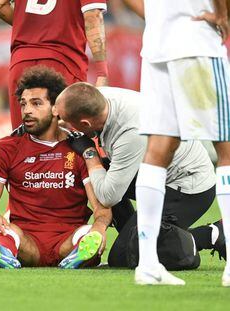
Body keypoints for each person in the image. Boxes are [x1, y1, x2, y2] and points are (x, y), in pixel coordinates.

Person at [55, 82, 225, 276]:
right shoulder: (98, 98)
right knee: (103, 173)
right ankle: (133, 235)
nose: (63, 125)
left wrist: (89, 153)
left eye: (67, 122)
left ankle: (211, 234)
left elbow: (108, 196)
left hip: (188, 189)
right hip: (156, 174)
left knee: (121, 257)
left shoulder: (131, 132)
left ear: (85, 124)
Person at [119, 0, 230, 286]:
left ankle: (147, 264)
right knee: (226, 147)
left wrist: (158, 19)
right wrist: (222, 13)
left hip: (157, 47)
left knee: (159, 148)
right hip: (197, 41)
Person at [0, 66, 112, 268]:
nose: (27, 110)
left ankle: (81, 251)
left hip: (68, 238)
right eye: (23, 104)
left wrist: (99, 227)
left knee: (86, 234)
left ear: (56, 108)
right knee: (6, 232)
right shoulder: (5, 149)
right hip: (27, 242)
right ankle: (3, 250)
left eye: (36, 103)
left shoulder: (81, 148)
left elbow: (101, 206)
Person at [0, 0, 109, 130]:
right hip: (62, 62)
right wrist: (102, 72)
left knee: (24, 142)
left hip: (21, 61)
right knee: (69, 144)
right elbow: (93, 15)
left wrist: (35, 29)